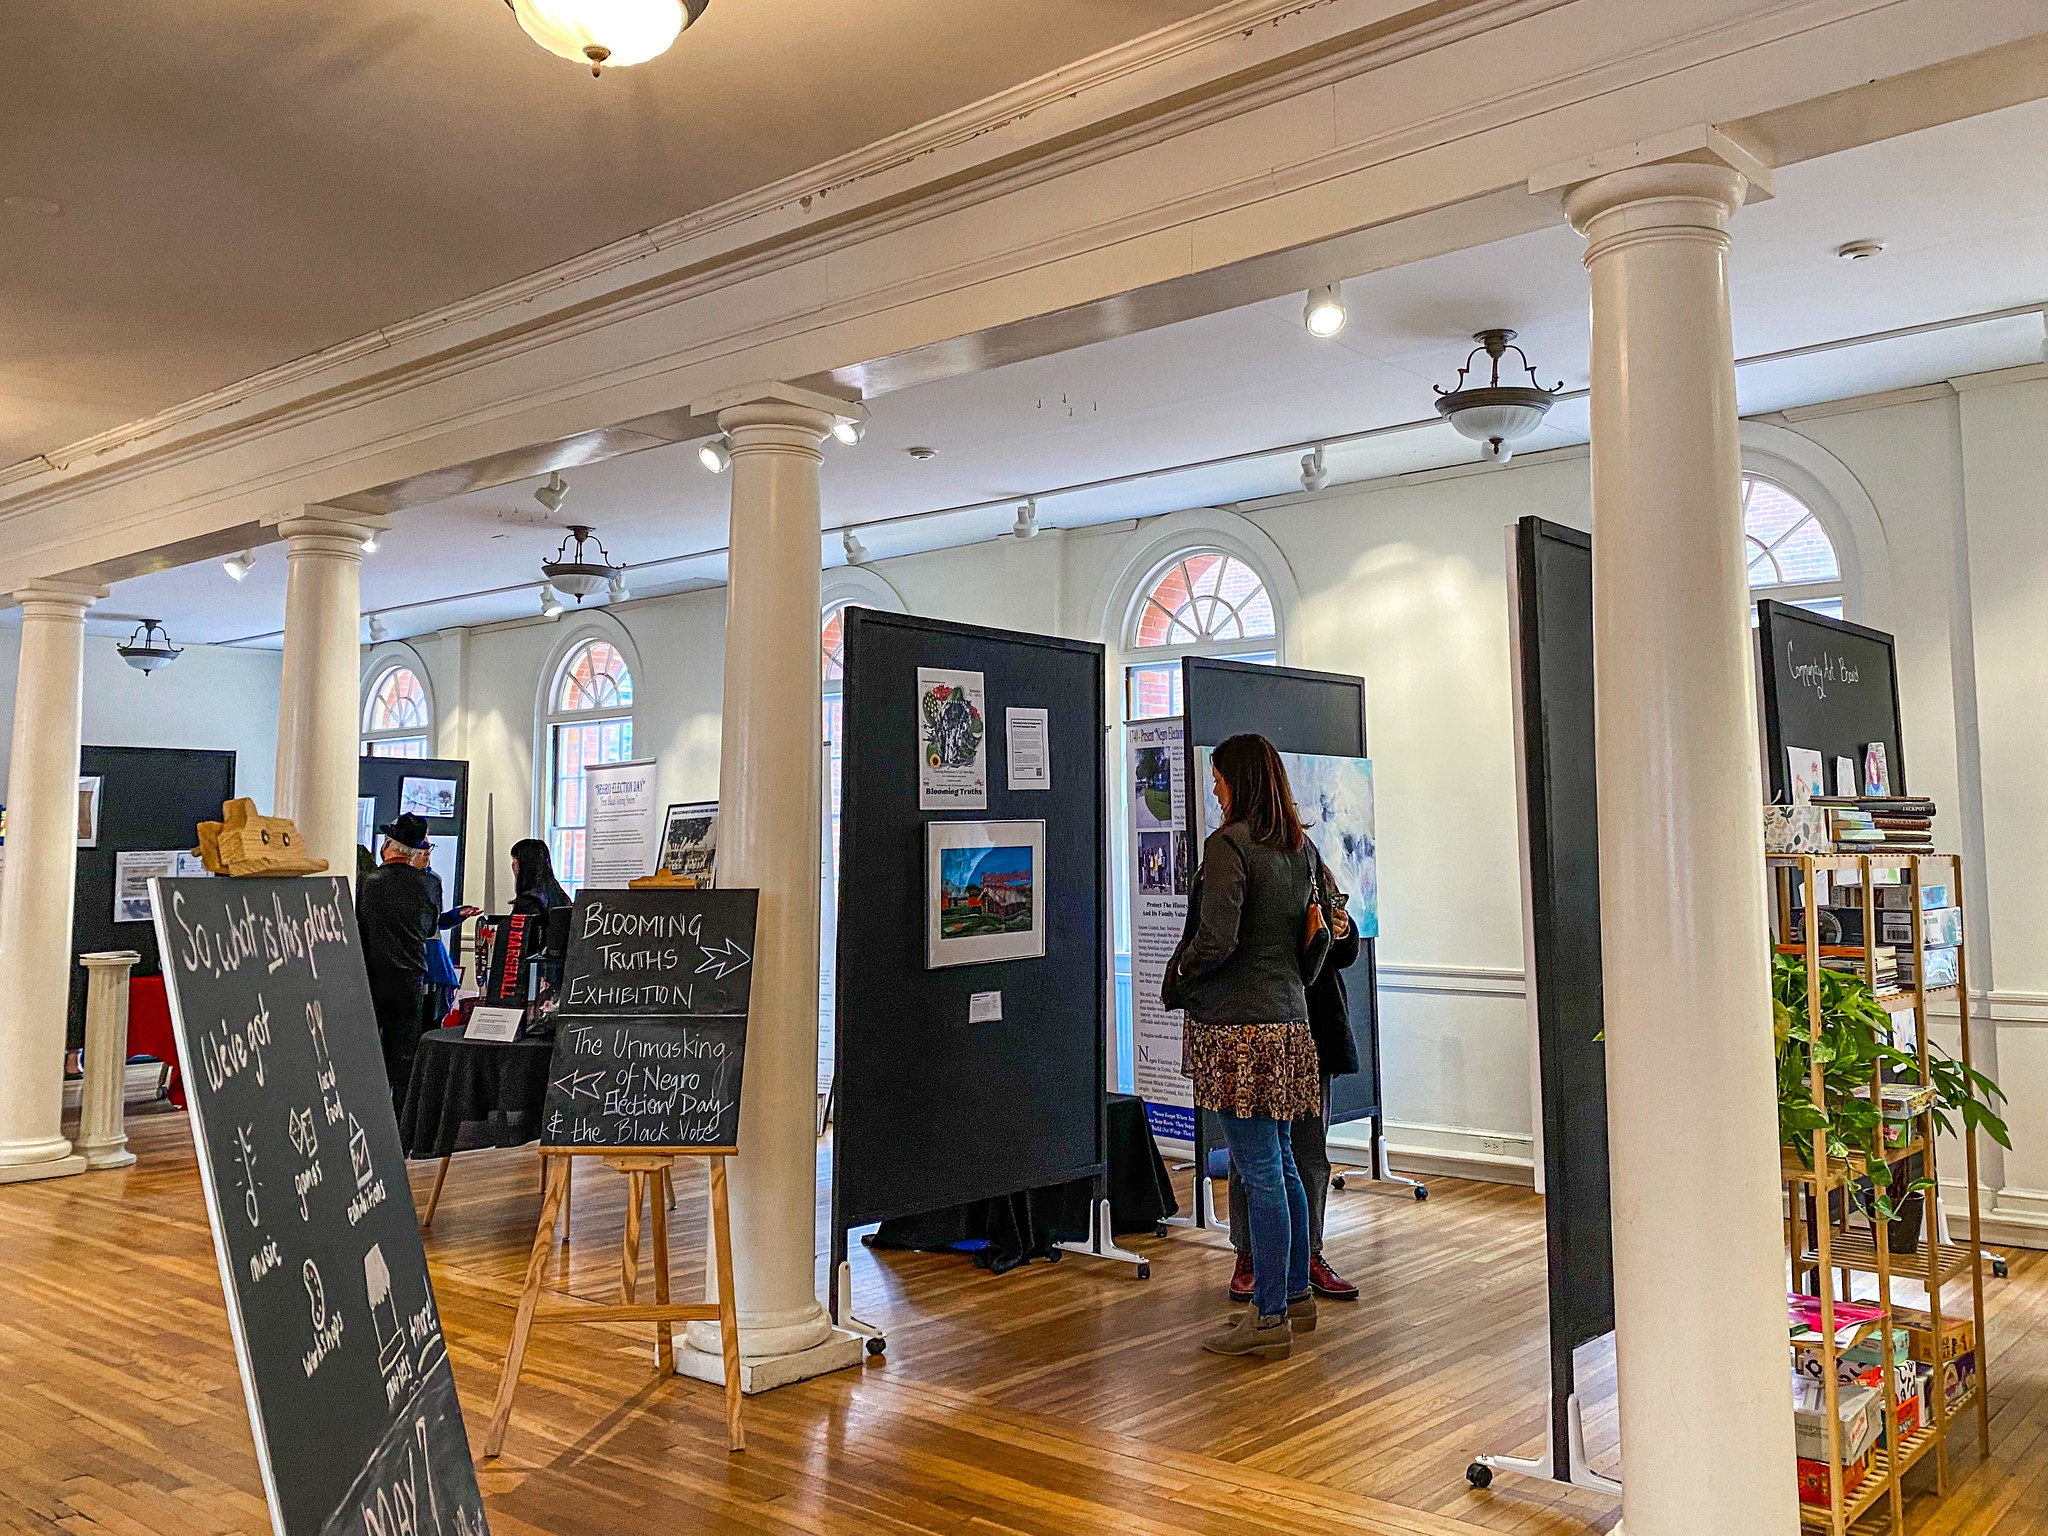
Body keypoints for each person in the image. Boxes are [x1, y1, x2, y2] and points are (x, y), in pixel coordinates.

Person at [1164, 733, 1337, 1360]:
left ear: (1239, 780)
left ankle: (1267, 1317)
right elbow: (1314, 940)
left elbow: (1217, 941)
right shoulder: (1301, 848)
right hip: (1290, 1025)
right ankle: (1294, 1298)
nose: (1213, 789)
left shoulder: (1228, 847)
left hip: (1239, 1030)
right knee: (1282, 1159)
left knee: (1260, 1166)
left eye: (1217, 779)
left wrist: (1180, 973)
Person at [1225, 887, 1363, 1303]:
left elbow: (1341, 951)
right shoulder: (1238, 861)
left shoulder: (1311, 862)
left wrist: (1342, 931)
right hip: (1255, 1024)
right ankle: (1249, 1254)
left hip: (1315, 1027)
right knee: (1252, 1155)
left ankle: (1308, 1256)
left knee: (1308, 1154)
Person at [357, 814, 478, 1098]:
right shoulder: (428, 884)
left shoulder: (369, 882)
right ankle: (403, 1123)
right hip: (410, 977)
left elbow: (359, 923)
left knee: (367, 1051)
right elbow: (430, 926)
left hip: (370, 976)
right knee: (405, 1055)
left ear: (388, 846)